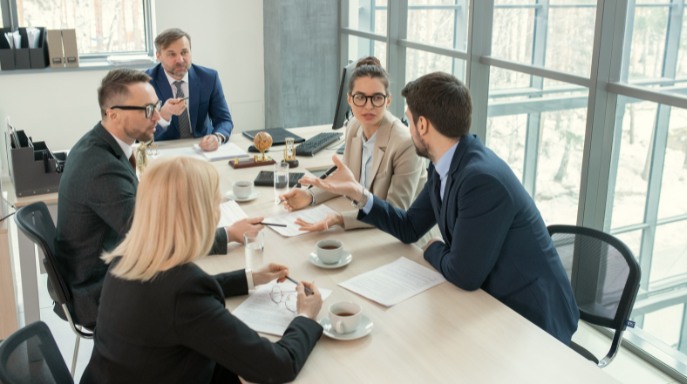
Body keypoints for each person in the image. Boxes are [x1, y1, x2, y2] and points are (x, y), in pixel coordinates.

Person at [300, 71, 580, 344]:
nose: (407, 129)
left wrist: (433, 248)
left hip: (532, 319)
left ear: (423, 126)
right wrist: (360, 194)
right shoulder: (445, 161)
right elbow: (410, 227)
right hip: (489, 303)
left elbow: (464, 274)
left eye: (408, 121)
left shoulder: (481, 180)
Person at [80, 157, 323, 384]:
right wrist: (305, 317)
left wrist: (250, 278)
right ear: (197, 215)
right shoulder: (184, 293)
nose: (218, 213)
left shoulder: (126, 258)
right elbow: (278, 366)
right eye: (215, 204)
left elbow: (170, 295)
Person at [55, 68, 261, 329]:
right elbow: (151, 236)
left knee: (194, 282)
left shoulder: (100, 145)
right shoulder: (101, 167)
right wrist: (226, 235)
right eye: (147, 110)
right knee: (196, 292)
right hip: (97, 291)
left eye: (156, 106)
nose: (157, 116)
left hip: (102, 271)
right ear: (113, 114)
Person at [280, 56, 426, 232]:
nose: (368, 106)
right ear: (349, 99)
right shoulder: (354, 126)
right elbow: (346, 182)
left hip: (399, 238)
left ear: (388, 101)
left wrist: (340, 219)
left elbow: (395, 212)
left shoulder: (405, 144)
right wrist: (309, 195)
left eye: (377, 98)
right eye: (360, 97)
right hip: (366, 225)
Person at [147, 28, 233, 151]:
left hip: (201, 148)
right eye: (172, 54)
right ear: (159, 56)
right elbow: (141, 135)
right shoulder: (146, 83)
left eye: (184, 52)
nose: (180, 60)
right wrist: (163, 116)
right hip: (164, 150)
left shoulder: (209, 78)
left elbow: (224, 120)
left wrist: (217, 137)